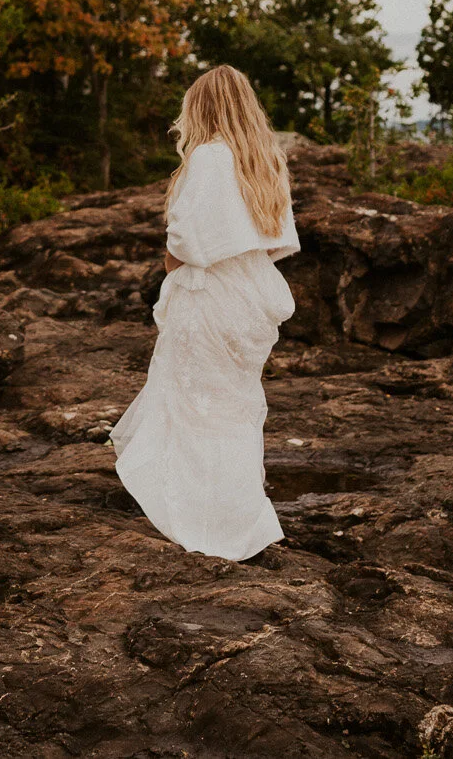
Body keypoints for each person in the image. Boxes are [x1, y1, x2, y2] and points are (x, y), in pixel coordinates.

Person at [108, 64, 300, 561]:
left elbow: (184, 243)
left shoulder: (210, 157)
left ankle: (204, 524)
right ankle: (243, 519)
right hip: (251, 299)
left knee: (195, 410)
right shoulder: (265, 160)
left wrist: (175, 258)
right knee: (236, 409)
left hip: (210, 301)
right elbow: (274, 242)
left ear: (203, 108)